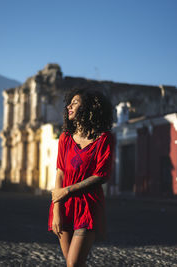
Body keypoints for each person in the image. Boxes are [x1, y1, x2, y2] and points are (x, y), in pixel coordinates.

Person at [48, 88, 115, 267]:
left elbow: (101, 175)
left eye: (75, 102)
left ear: (90, 108)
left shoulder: (104, 139)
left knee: (74, 263)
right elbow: (60, 172)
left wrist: (67, 191)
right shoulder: (65, 139)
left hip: (88, 205)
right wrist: (56, 210)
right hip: (64, 205)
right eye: (69, 103)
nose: (69, 106)